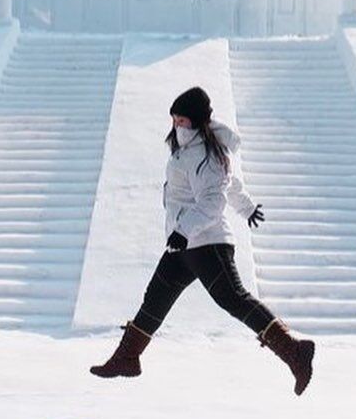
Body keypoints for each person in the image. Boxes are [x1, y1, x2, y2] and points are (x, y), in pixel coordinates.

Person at [89, 85, 315, 395]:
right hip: (184, 243)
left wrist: (184, 231)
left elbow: (212, 199)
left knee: (233, 298)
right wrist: (246, 207)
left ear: (196, 121)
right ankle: (127, 357)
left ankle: (295, 351)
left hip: (206, 242)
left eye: (182, 120)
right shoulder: (191, 150)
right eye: (174, 119)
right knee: (155, 297)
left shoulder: (206, 155)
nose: (176, 125)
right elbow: (230, 183)